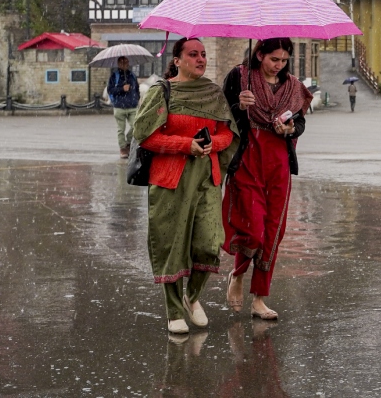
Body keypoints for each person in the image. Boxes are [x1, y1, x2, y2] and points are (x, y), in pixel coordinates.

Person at [134, 38, 238, 335]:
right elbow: (145, 136)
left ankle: (191, 296)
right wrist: (185, 145)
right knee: (172, 244)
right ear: (177, 60)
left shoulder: (213, 93)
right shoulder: (161, 91)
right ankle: (173, 311)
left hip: (207, 177)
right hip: (170, 178)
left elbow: (227, 135)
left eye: (203, 54)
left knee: (209, 241)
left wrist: (209, 145)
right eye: (193, 55)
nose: (201, 59)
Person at [222, 38, 308, 321]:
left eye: (284, 61)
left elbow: (300, 122)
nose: (279, 66)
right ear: (260, 54)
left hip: (278, 160)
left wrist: (291, 128)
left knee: (273, 231)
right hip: (248, 156)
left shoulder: (293, 85)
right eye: (274, 59)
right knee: (253, 226)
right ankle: (237, 274)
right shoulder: (239, 75)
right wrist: (238, 105)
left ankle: (259, 297)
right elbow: (221, 115)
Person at [108, 56, 140, 158]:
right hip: (119, 107)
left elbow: (137, 89)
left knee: (136, 126)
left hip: (132, 106)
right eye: (122, 62)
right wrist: (122, 89)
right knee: (120, 129)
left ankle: (128, 141)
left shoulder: (132, 75)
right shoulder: (114, 76)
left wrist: (136, 99)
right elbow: (110, 90)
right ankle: (123, 148)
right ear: (118, 64)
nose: (125, 64)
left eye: (126, 62)